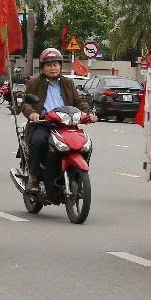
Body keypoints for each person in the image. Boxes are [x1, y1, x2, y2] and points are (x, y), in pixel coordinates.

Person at [19, 48, 95, 194]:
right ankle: (33, 178)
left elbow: (79, 101)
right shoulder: (35, 83)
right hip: (43, 124)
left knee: (85, 144)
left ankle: (76, 172)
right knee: (39, 141)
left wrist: (89, 113)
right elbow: (25, 103)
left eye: (55, 64)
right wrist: (33, 113)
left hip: (66, 124)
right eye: (49, 65)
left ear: (60, 66)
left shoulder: (68, 83)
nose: (53, 68)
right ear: (42, 68)